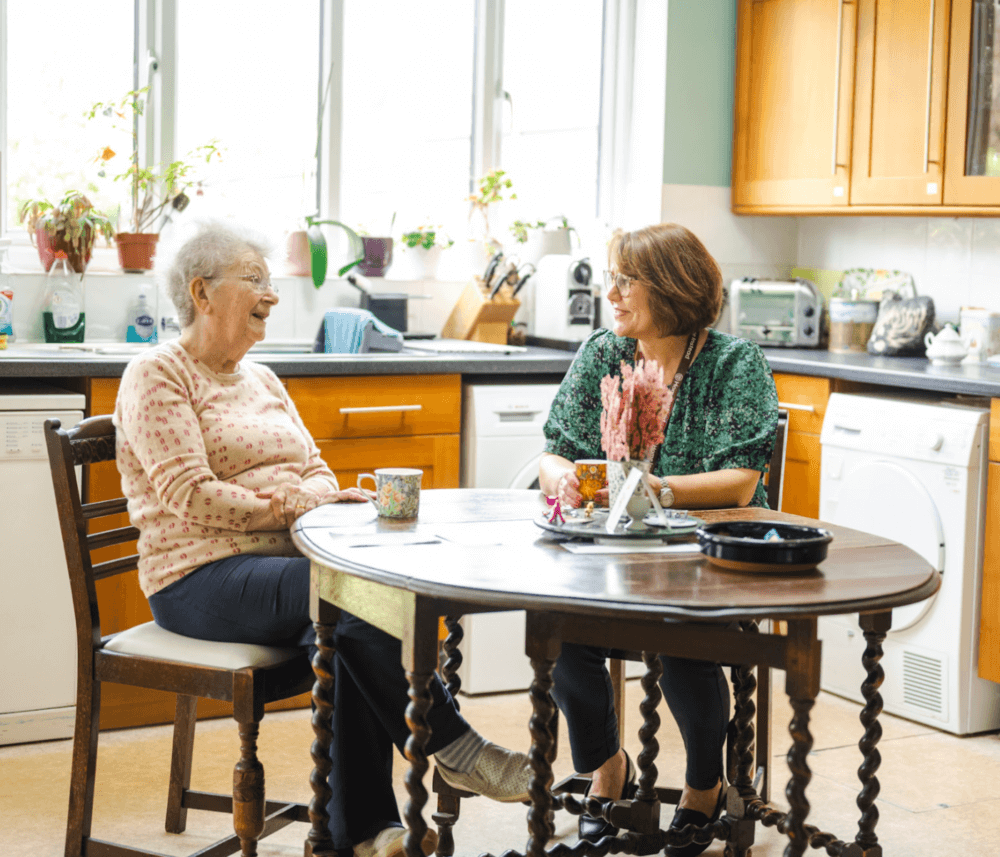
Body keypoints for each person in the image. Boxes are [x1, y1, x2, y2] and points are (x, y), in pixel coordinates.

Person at [113, 221, 532, 857]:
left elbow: (318, 471)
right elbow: (190, 496)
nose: (272, 295)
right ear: (201, 292)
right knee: (345, 597)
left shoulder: (263, 378)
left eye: (270, 281)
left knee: (344, 632)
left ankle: (362, 833)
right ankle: (453, 747)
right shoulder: (159, 374)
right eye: (254, 280)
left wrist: (313, 499)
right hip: (195, 576)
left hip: (282, 566)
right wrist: (297, 505)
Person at [538, 223, 778, 856]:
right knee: (561, 634)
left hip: (706, 552)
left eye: (625, 280)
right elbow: (555, 452)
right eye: (609, 278)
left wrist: (655, 491)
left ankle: (704, 790)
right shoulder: (603, 355)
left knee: (681, 645)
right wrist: (572, 482)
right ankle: (606, 768)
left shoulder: (733, 364)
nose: (609, 293)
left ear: (670, 289)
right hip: (613, 550)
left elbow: (742, 481)